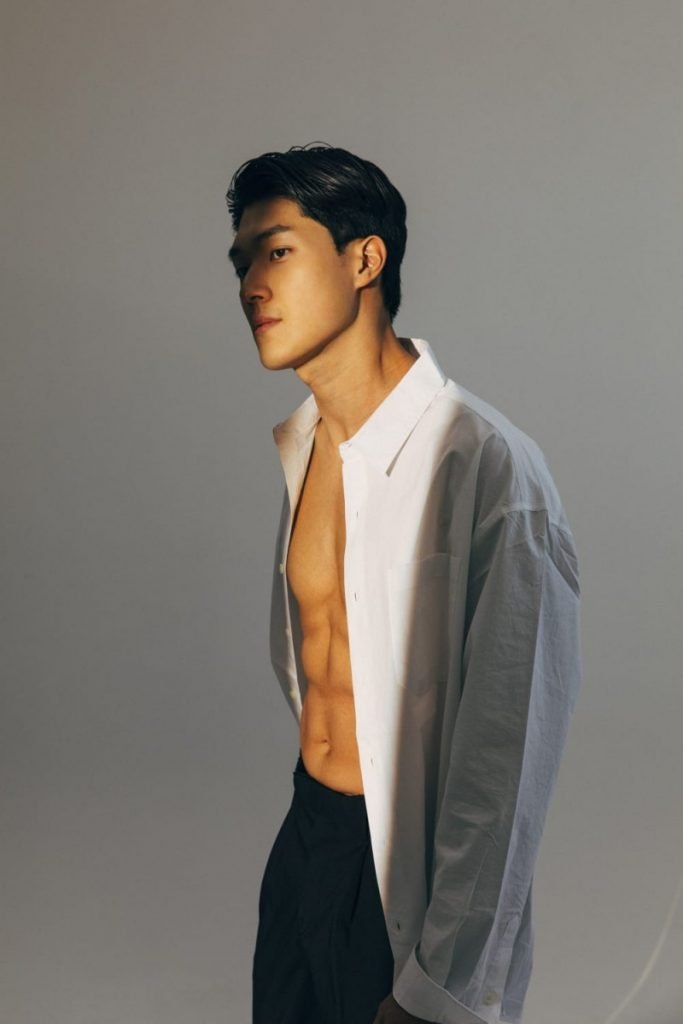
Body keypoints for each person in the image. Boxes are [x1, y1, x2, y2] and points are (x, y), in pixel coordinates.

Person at [225, 143, 583, 1024]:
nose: (251, 286)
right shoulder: (306, 447)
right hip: (307, 842)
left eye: (277, 251)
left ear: (364, 259)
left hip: (407, 877)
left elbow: (505, 761)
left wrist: (443, 988)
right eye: (241, 263)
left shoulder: (486, 466)